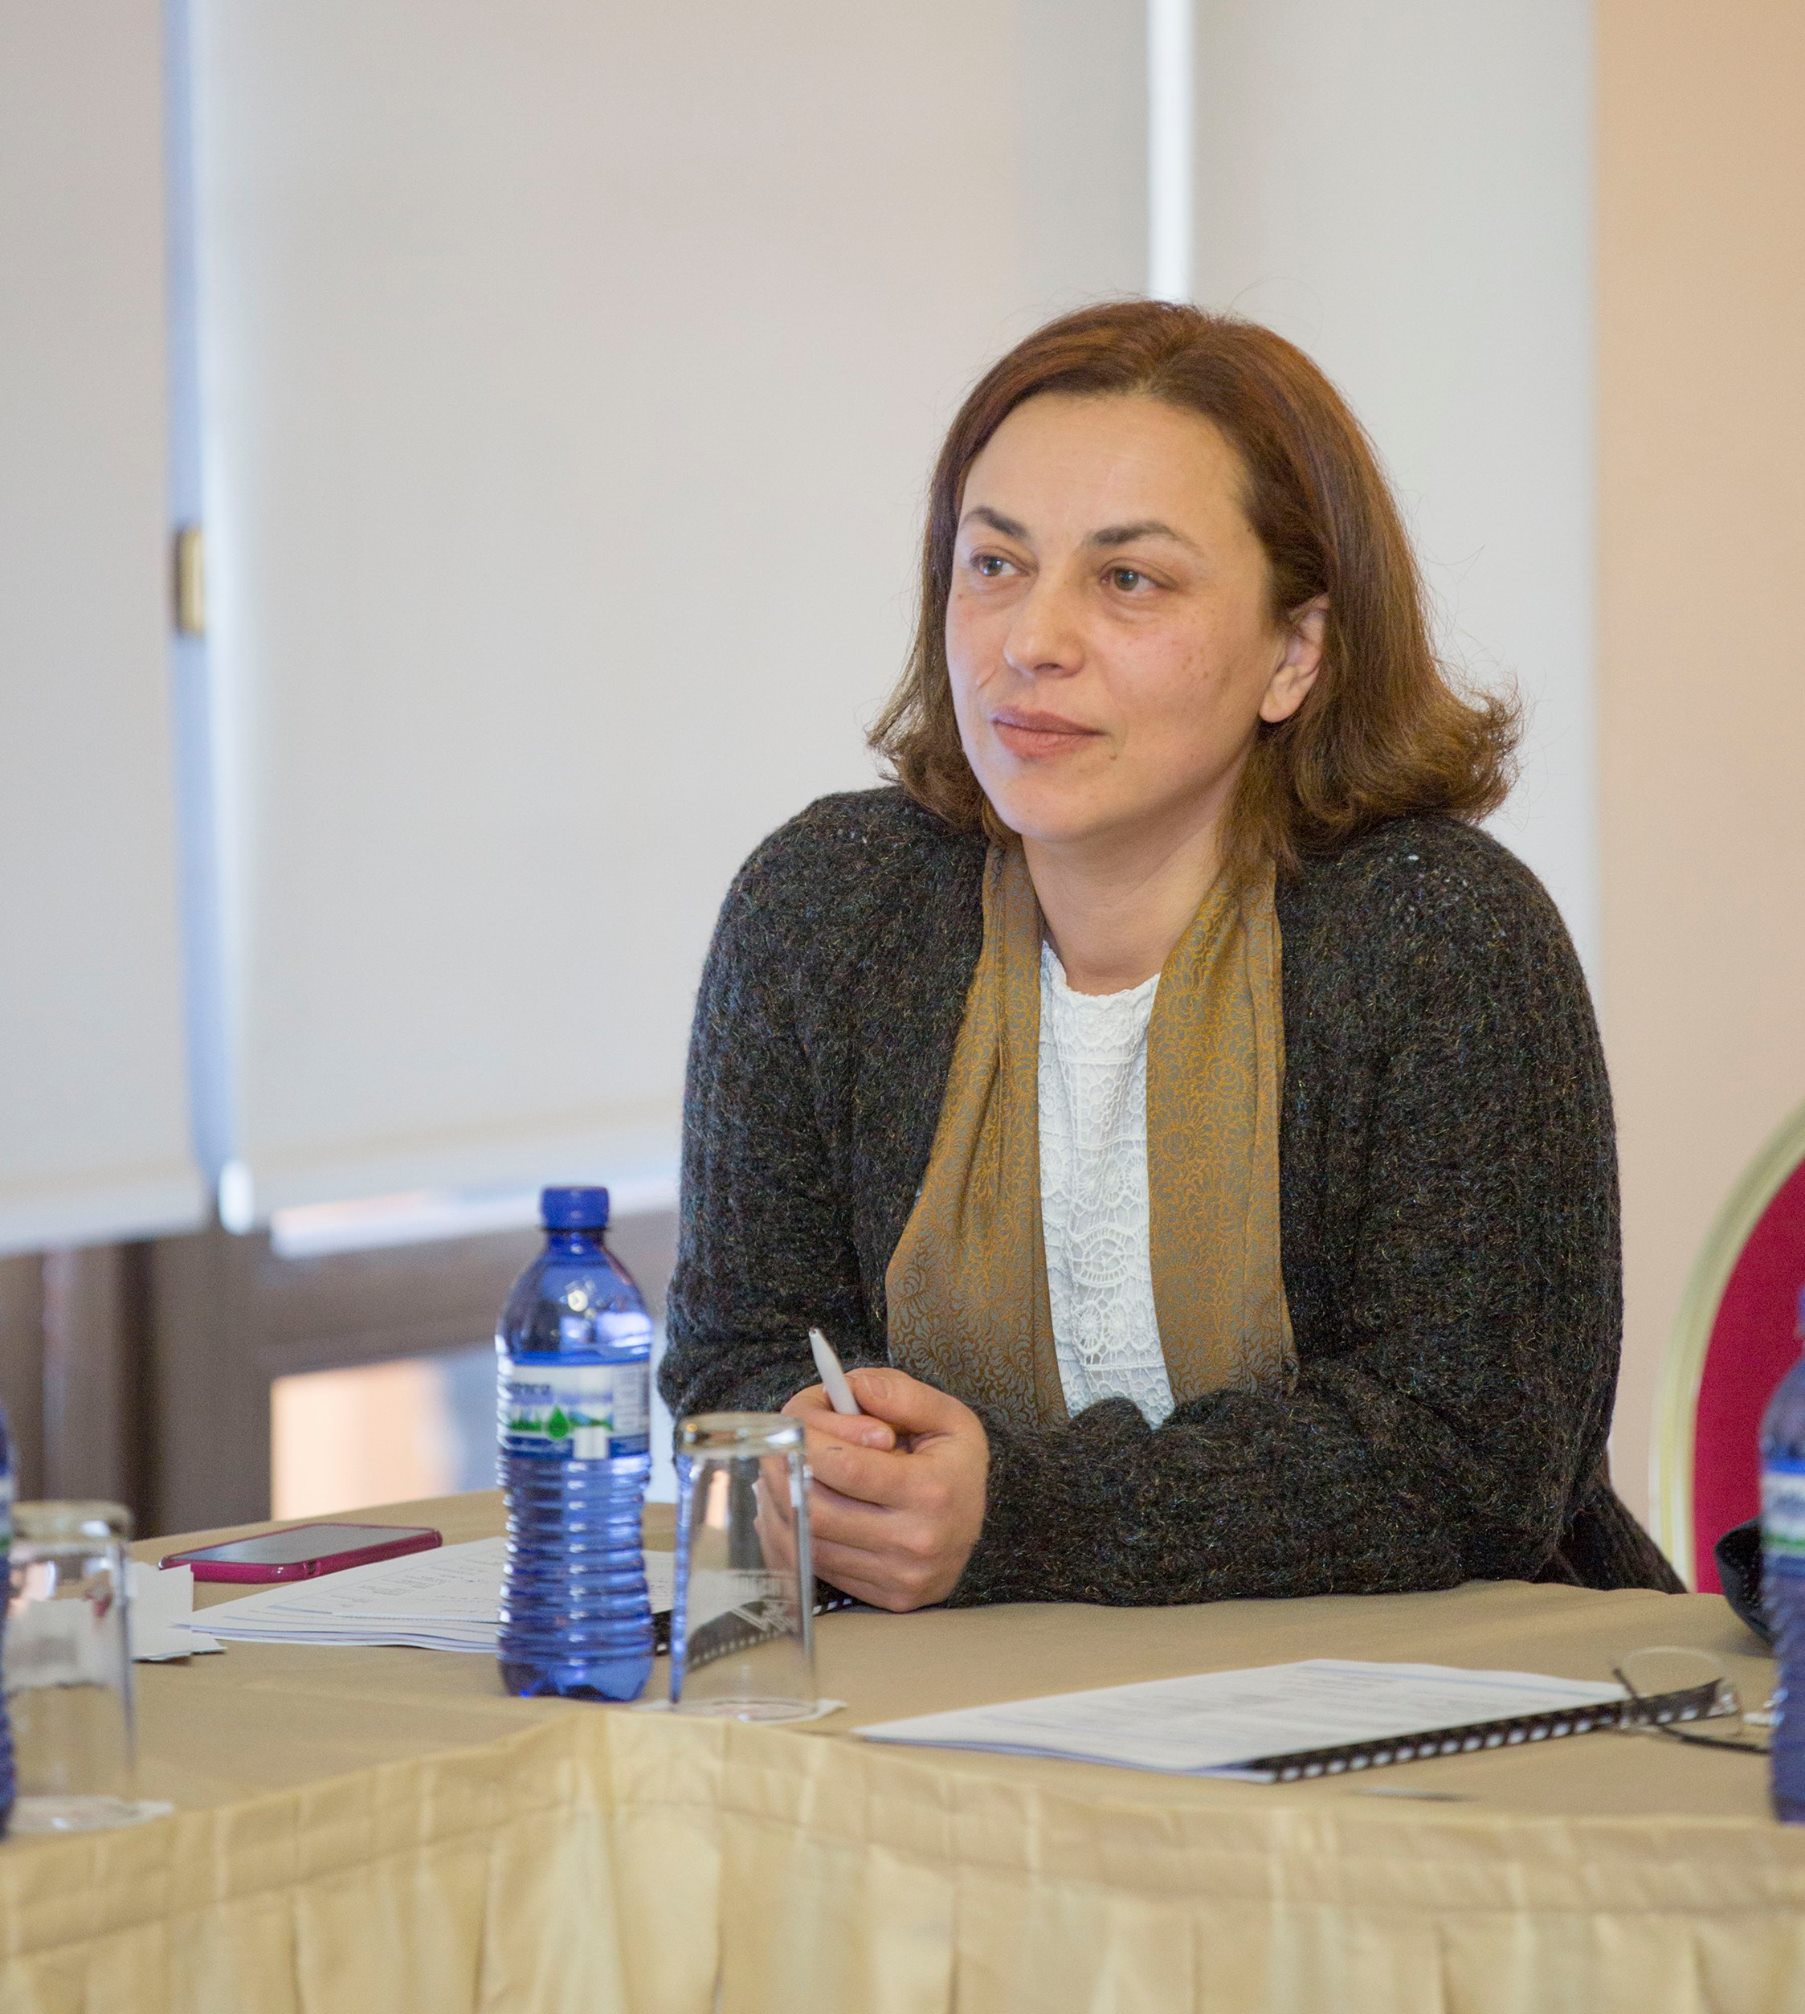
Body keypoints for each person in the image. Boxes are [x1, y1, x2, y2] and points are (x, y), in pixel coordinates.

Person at [658, 299, 1680, 1613]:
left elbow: (1468, 1463)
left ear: (1293, 653)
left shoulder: (1440, 935)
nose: (1032, 641)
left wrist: (1017, 1515)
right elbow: (735, 1355)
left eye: (1127, 580)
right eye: (994, 563)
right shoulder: (825, 908)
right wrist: (820, 1460)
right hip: (936, 1693)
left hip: (1434, 1699)